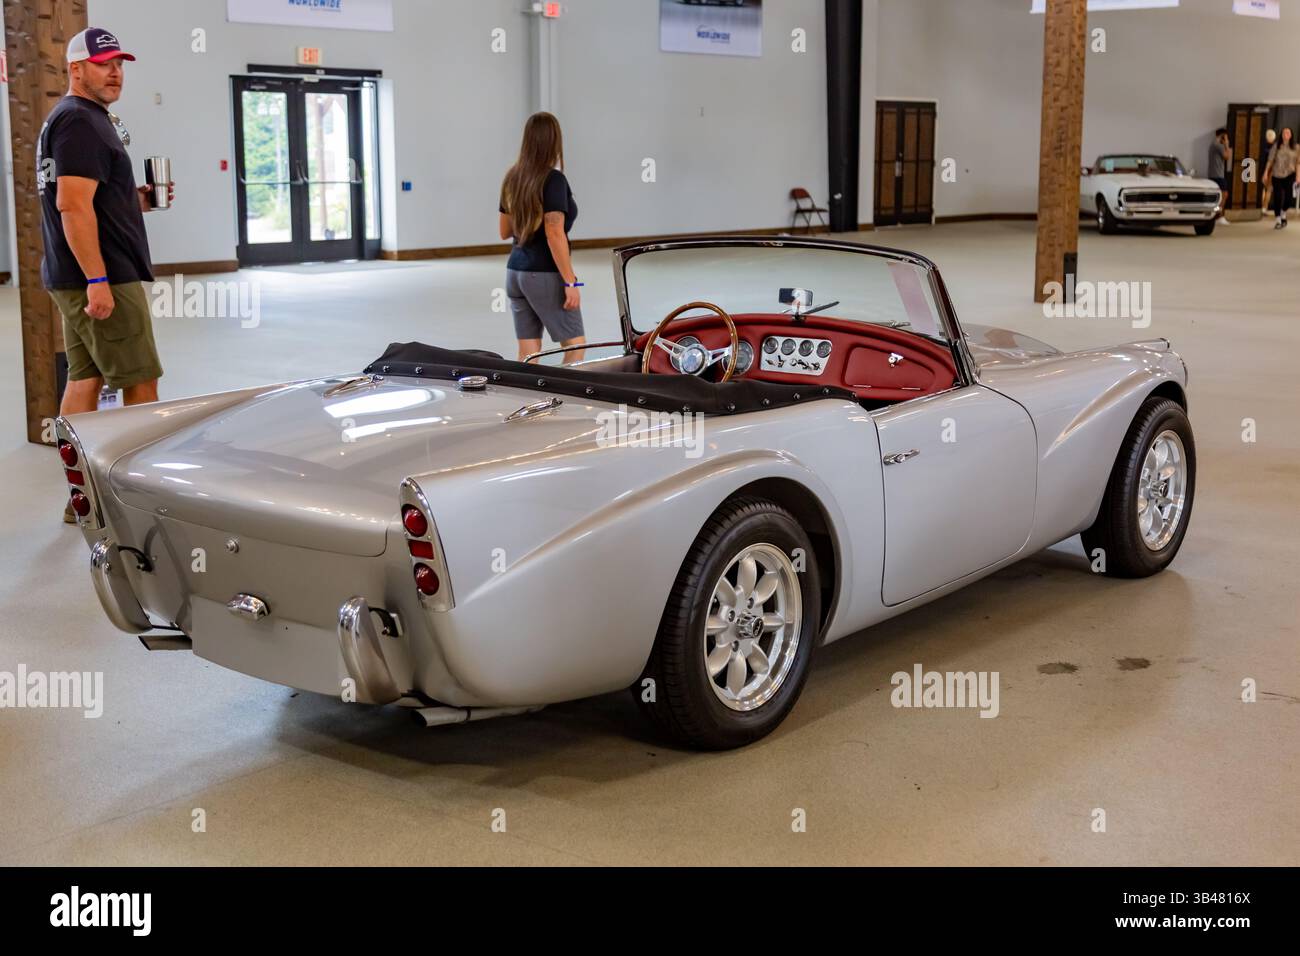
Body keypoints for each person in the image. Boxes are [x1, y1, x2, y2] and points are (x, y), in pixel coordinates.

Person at [38, 27, 172, 522]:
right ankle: (129, 498)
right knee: (141, 384)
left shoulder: (78, 120)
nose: (115, 72)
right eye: (102, 63)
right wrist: (97, 280)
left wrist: (133, 200)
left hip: (71, 274)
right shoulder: (79, 122)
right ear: (76, 69)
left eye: (119, 63)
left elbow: (88, 197)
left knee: (86, 378)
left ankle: (81, 496)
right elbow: (71, 207)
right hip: (102, 277)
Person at [498, 112, 585, 363]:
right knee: (576, 347)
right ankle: (563, 400)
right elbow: (554, 232)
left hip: (515, 272)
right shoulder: (553, 180)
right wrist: (571, 282)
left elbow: (504, 231)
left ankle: (524, 399)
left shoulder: (512, 178)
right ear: (554, 141)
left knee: (528, 353)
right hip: (544, 274)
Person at [1263, 126, 1299, 230]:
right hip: (1277, 174)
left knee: (1289, 198)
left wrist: (1298, 176)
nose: (1286, 134)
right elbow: (1270, 160)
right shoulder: (1276, 146)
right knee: (1277, 197)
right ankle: (1278, 219)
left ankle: (1283, 212)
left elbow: (1298, 163)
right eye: (1284, 133)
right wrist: (1265, 172)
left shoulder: (1296, 147)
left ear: (1291, 135)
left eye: (1288, 133)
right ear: (1281, 135)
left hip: (1290, 174)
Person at [1209, 128, 1231, 226]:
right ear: (1222, 136)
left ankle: (1218, 215)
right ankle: (1219, 216)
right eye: (1225, 137)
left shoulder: (1212, 145)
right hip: (1218, 175)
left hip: (1214, 174)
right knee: (1224, 195)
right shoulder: (1218, 145)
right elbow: (1227, 156)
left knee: (1221, 195)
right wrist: (1226, 145)